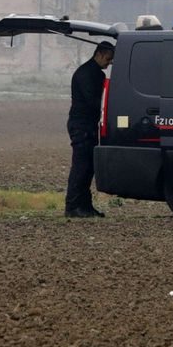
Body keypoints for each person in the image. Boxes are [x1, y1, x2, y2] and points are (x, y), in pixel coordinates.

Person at [65, 41, 114, 218]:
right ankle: (72, 206)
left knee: (88, 168)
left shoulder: (94, 73)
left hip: (87, 124)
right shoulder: (86, 74)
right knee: (81, 167)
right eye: (107, 59)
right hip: (81, 125)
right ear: (99, 54)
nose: (108, 63)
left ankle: (85, 207)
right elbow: (93, 101)